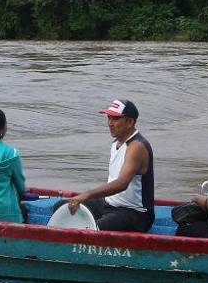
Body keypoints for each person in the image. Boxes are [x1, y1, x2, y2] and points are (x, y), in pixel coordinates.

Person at [60, 99, 155, 232]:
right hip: (109, 204)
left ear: (130, 122)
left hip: (135, 214)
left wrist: (87, 194)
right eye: (109, 118)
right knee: (62, 207)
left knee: (93, 230)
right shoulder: (116, 143)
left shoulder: (136, 146)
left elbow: (121, 184)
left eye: (115, 119)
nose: (110, 123)